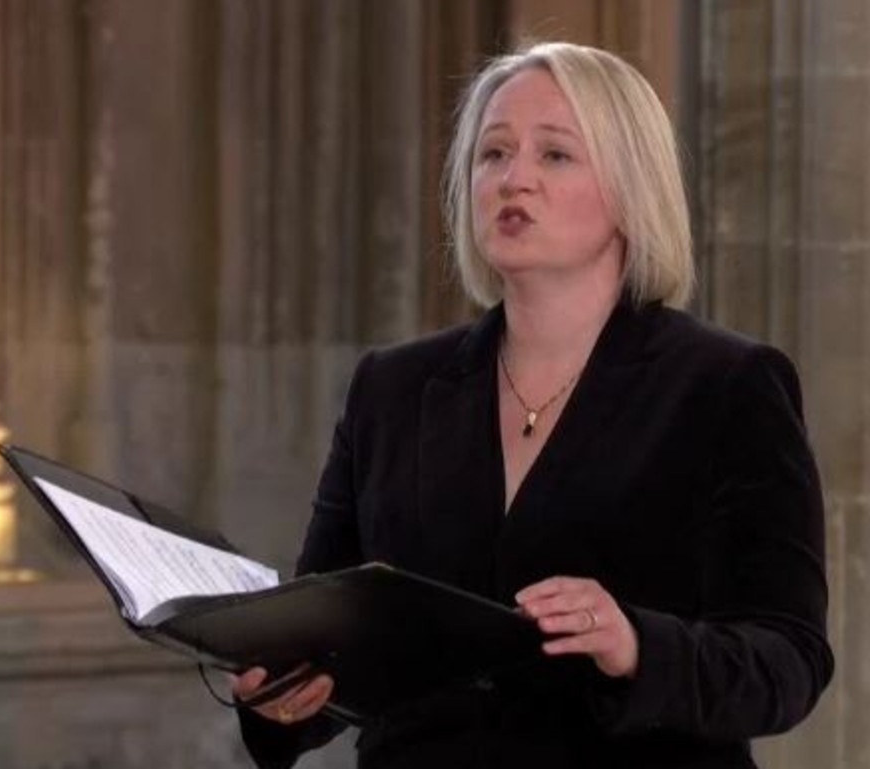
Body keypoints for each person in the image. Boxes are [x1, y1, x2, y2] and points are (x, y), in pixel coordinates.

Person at [231, 40, 833, 768]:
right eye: (492, 154)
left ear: (629, 188)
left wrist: (636, 643)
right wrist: (283, 695)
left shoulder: (727, 384)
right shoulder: (390, 388)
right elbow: (333, 641)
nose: (514, 179)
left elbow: (787, 660)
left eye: (554, 155)